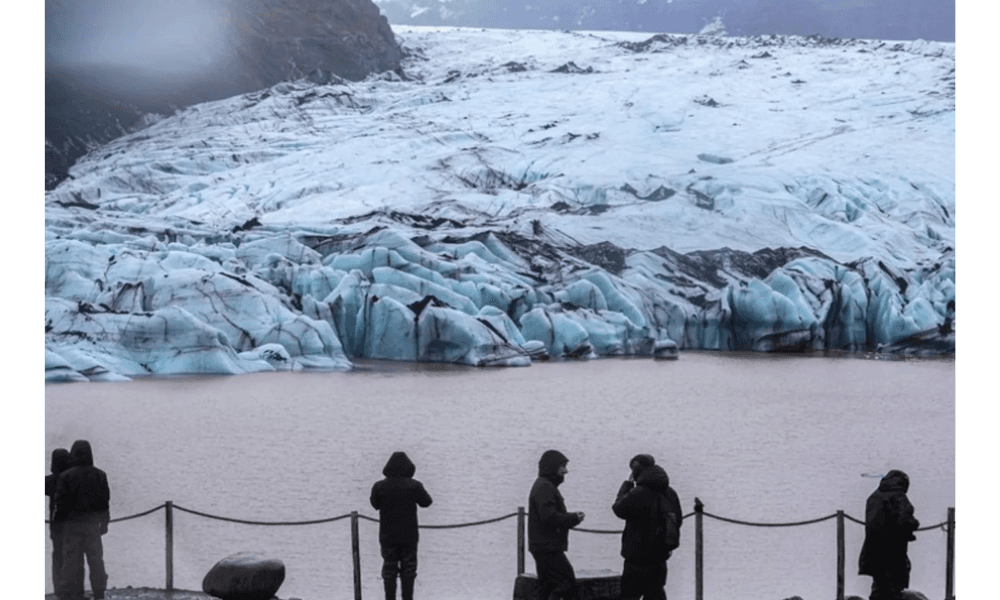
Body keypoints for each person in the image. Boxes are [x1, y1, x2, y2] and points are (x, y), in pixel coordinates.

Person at [612, 454, 682, 600]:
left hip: (636, 557)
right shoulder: (669, 492)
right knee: (656, 593)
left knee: (629, 595)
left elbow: (619, 509)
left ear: (636, 469)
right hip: (659, 557)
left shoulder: (638, 493)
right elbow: (678, 520)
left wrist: (626, 485)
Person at [370, 451, 433, 600]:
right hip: (409, 534)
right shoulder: (414, 486)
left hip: (387, 534)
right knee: (409, 569)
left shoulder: (379, 486)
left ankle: (389, 598)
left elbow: (374, 504)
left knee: (389, 568)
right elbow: (427, 502)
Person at [54, 440, 110, 600]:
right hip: (92, 526)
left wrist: (58, 526)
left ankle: (69, 594)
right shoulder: (100, 475)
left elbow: (61, 505)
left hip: (71, 527)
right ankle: (99, 592)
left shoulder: (66, 476)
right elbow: (104, 502)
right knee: (96, 561)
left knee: (70, 562)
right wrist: (104, 523)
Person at [528, 449, 585, 600]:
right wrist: (573, 518)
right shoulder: (545, 487)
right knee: (566, 581)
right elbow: (549, 517)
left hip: (542, 545)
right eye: (563, 466)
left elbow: (548, 515)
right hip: (548, 547)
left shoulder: (543, 485)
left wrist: (571, 518)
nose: (566, 471)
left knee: (547, 586)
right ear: (553, 467)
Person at [858, 469, 920, 600]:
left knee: (879, 587)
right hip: (893, 552)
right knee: (894, 589)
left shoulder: (873, 497)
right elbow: (904, 520)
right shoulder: (898, 496)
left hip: (873, 551)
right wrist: (914, 525)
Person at [46, 448, 72, 593]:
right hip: (75, 525)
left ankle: (58, 589)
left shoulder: (50, 481)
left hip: (56, 527)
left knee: (58, 556)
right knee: (74, 556)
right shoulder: (74, 479)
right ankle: (73, 590)